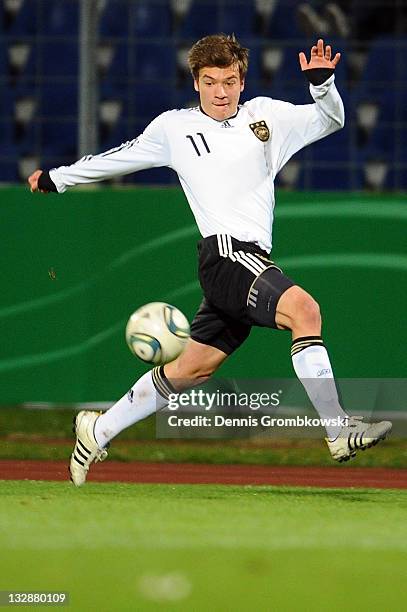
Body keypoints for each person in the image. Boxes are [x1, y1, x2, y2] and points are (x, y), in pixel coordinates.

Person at [28, 35, 391, 487]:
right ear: (196, 83)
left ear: (242, 82)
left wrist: (322, 86)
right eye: (210, 82)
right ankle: (339, 432)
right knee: (306, 310)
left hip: (249, 260)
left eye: (230, 81)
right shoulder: (173, 129)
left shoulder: (266, 117)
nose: (221, 92)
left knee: (191, 369)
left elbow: (331, 120)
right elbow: (118, 159)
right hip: (224, 254)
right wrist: (57, 179)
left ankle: (96, 430)